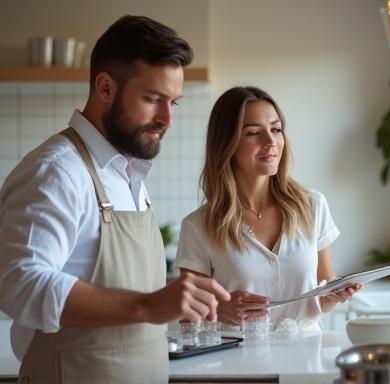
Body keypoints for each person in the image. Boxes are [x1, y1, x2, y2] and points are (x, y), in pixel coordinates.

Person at [0, 15, 230, 383]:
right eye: (153, 99)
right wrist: (146, 305)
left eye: (174, 102)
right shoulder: (56, 171)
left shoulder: (128, 174)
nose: (167, 119)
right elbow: (19, 283)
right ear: (105, 87)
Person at [174, 86, 361, 331]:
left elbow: (320, 300)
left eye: (276, 129)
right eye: (253, 133)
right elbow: (188, 317)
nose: (270, 141)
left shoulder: (313, 206)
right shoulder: (198, 226)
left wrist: (334, 295)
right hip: (236, 365)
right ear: (227, 143)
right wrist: (219, 310)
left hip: (306, 361)